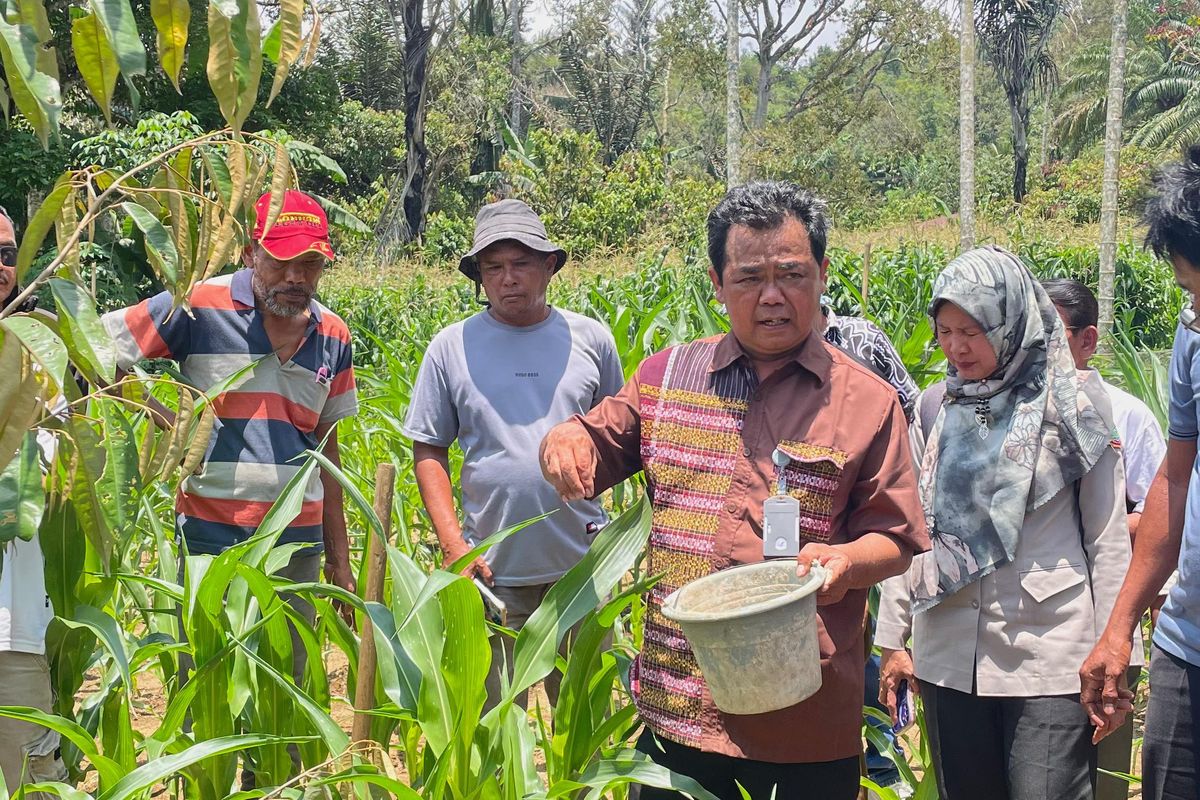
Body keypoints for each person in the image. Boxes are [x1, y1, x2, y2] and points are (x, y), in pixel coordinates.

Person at [539, 181, 928, 800]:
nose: (772, 296)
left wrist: (848, 561)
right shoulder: (666, 377)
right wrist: (565, 439)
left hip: (806, 715)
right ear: (718, 284)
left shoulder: (866, 402)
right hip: (679, 706)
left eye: (792, 275)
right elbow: (595, 438)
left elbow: (898, 537)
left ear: (823, 275)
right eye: (749, 278)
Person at [876, 246, 1134, 800]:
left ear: (1012, 321)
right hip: (948, 651)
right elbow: (915, 525)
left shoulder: (1074, 404)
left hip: (1049, 649)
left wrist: (1117, 653)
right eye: (944, 330)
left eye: (973, 330)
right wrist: (893, 637)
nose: (955, 347)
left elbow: (1108, 536)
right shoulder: (935, 405)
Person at [101, 190, 358, 703]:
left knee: (287, 693)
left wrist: (339, 557)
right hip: (207, 538)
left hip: (296, 548)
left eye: (310, 264)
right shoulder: (198, 305)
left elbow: (329, 451)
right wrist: (166, 419)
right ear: (251, 254)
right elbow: (100, 347)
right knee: (201, 686)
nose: (296, 278)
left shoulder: (333, 333)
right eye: (283, 261)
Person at [402, 198, 622, 709]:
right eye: (493, 267)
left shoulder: (590, 339)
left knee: (582, 724)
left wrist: (612, 541)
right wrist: (456, 548)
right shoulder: (451, 347)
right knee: (489, 731)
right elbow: (429, 448)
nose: (508, 279)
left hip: (582, 571)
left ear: (549, 266)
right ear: (479, 275)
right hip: (491, 575)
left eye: (521, 264)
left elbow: (617, 435)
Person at [1081, 146, 1200, 800]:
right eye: (1188, 291)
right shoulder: (1194, 335)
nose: (1196, 314)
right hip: (1186, 646)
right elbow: (1174, 480)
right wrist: (1122, 624)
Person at [1042, 277, 1164, 800]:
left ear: (1087, 341)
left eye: (1052, 334)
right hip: (1040, 627)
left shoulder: (1125, 413)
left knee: (1106, 765)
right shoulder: (1003, 412)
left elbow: (1161, 514)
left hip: (1112, 609)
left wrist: (1091, 528)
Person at [818, 303, 918, 792]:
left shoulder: (861, 340)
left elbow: (912, 408)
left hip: (876, 521)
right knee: (847, 643)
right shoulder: (765, 355)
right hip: (819, 535)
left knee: (870, 643)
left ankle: (884, 761)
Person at [0, 208, 69, 797]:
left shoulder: (38, 360)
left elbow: (61, 466)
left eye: (7, 255)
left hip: (14, 625)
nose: (1, 268)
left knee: (37, 779)